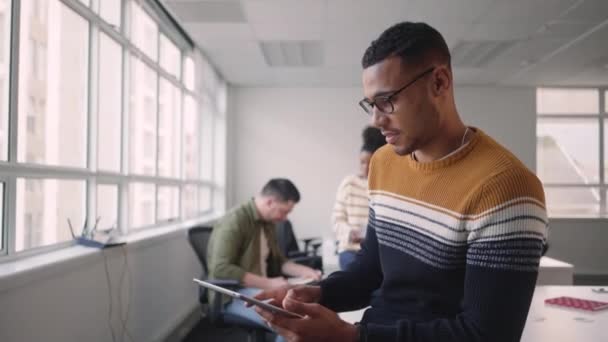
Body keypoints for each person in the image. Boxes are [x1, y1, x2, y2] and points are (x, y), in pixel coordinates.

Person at [252, 22, 548, 342]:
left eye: (387, 100)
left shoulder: (506, 187)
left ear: (439, 82)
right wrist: (315, 293)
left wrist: (351, 337)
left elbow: (488, 334)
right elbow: (371, 271)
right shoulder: (384, 162)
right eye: (371, 104)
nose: (377, 120)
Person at [207, 178, 321, 334]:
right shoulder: (235, 220)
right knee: (293, 321)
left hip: (258, 289)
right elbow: (220, 269)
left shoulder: (267, 223)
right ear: (270, 202)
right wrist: (268, 283)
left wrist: (304, 271)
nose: (284, 218)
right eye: (284, 211)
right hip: (233, 294)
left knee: (305, 309)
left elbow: (278, 261)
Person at [332, 126, 386, 270]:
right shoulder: (349, 183)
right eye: (362, 162)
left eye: (371, 164)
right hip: (351, 250)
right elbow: (337, 220)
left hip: (378, 253)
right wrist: (350, 233)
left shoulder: (387, 187)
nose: (365, 168)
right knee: (358, 271)